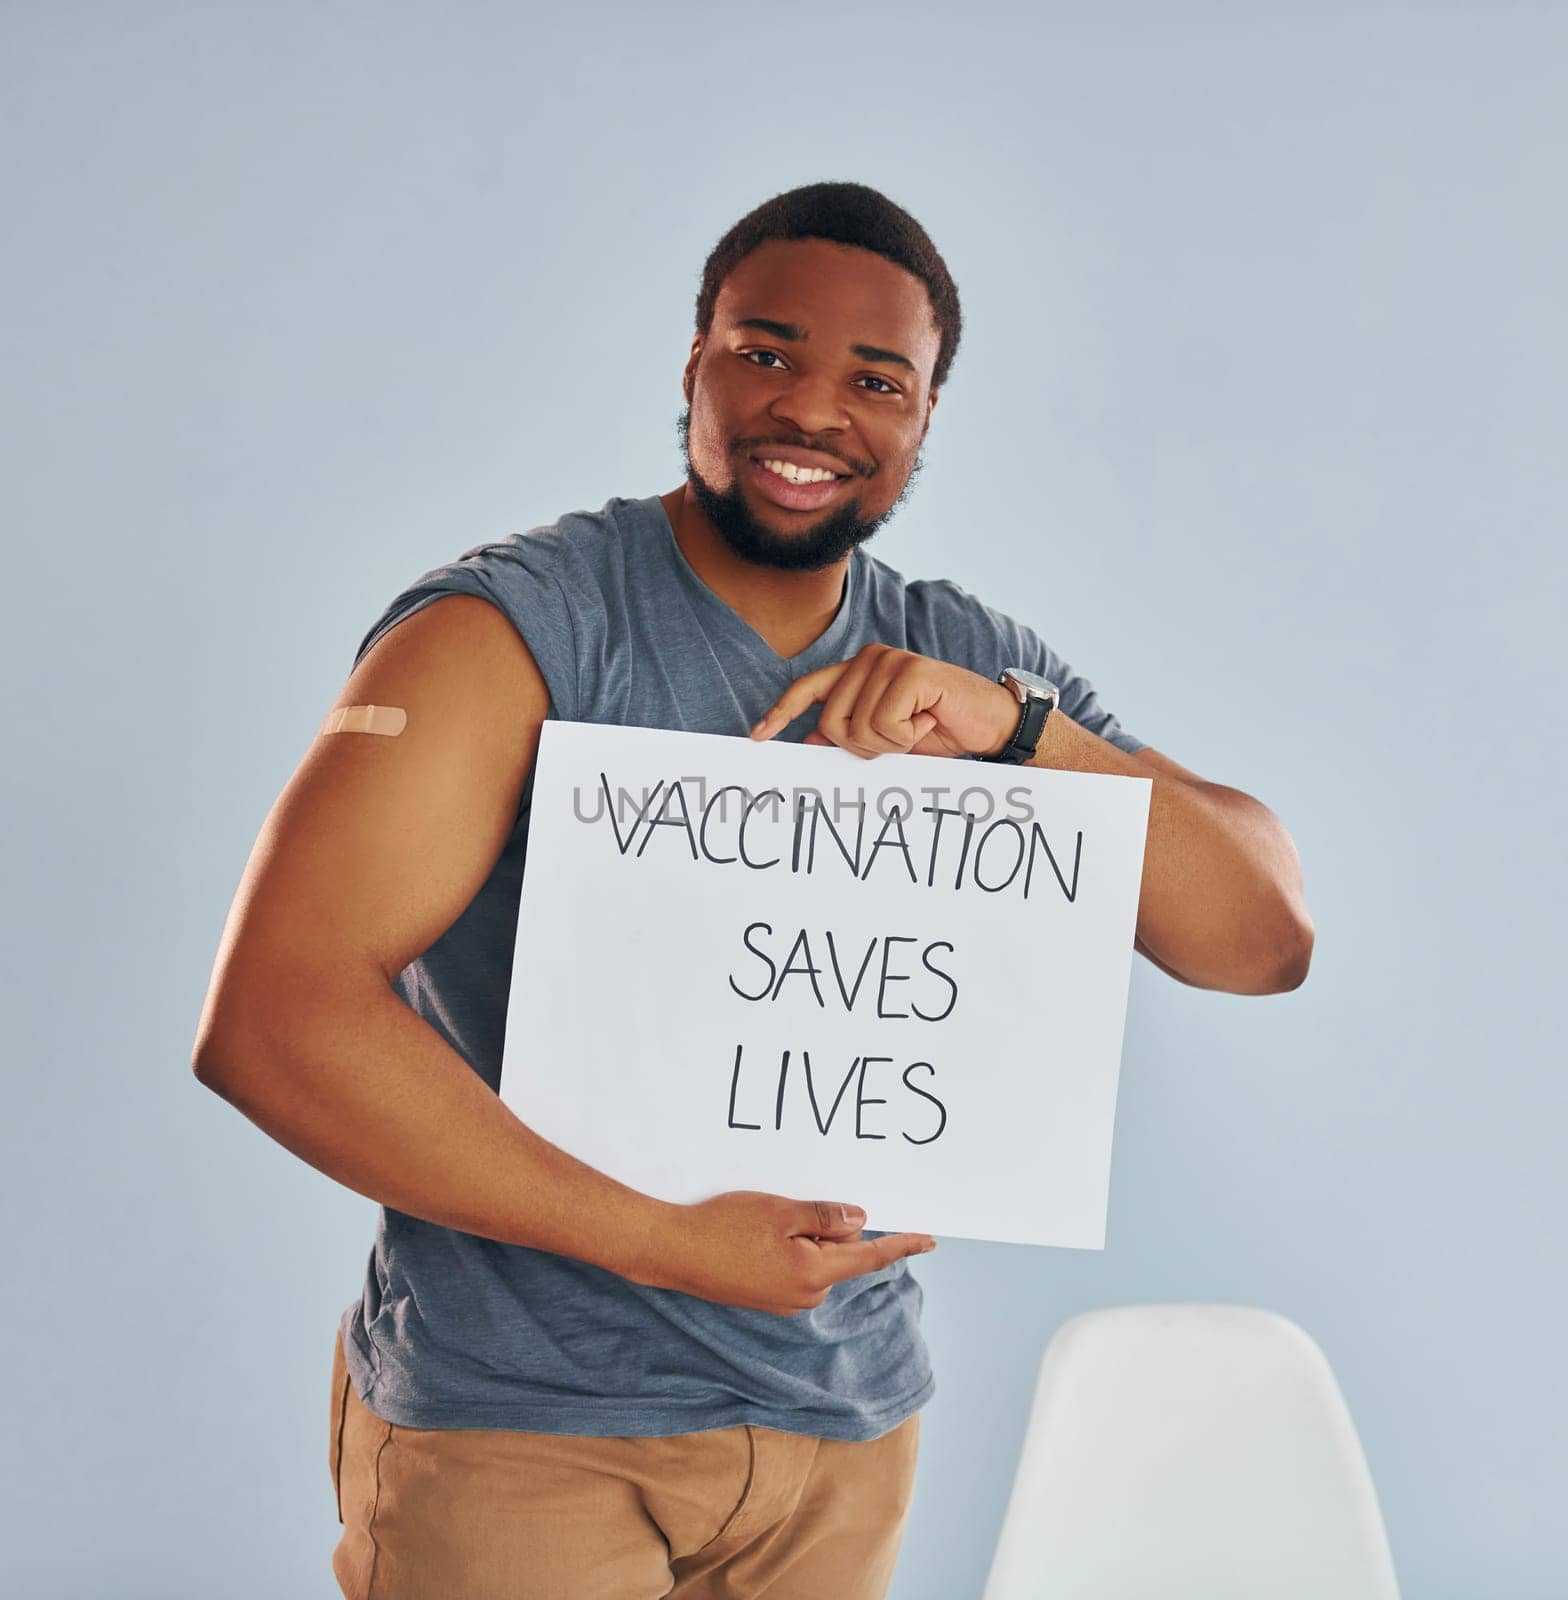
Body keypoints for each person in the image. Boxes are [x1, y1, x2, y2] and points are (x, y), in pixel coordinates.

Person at [191, 180, 1314, 1600]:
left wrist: (1027, 734)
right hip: (530, 1427)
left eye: (876, 379)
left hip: (843, 1430)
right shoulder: (516, 628)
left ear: (922, 421)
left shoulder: (959, 651)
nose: (812, 410)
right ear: (696, 366)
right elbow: (275, 1020)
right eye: (766, 352)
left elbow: (1261, 936)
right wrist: (665, 1242)